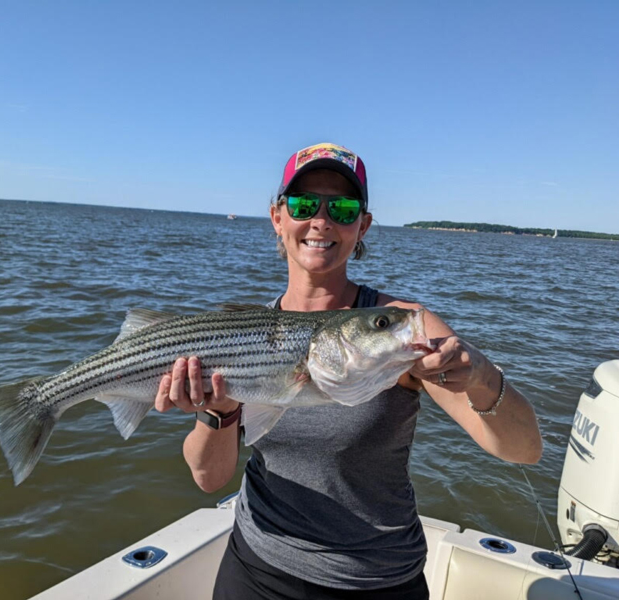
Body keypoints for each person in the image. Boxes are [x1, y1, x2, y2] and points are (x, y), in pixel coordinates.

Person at [154, 142, 543, 599]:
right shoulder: (245, 335)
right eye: (304, 205)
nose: (321, 220)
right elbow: (209, 479)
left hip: (376, 580)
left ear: (363, 226)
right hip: (258, 566)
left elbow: (523, 450)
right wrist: (219, 412)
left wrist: (481, 376)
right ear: (278, 217)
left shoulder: (399, 326)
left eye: (341, 208)